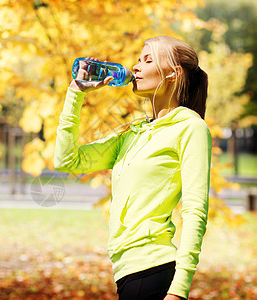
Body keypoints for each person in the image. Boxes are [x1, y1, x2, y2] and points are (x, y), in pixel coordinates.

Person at [54, 36, 212, 300]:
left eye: (148, 60)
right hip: (126, 273)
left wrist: (179, 290)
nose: (136, 67)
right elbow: (67, 160)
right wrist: (75, 93)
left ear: (174, 73)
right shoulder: (132, 132)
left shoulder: (190, 128)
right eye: (138, 60)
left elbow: (195, 211)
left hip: (154, 272)